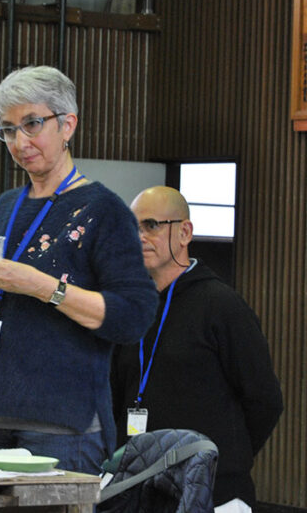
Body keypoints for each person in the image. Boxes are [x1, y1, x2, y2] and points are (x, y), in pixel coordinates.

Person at [0, 65, 158, 474]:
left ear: (68, 125)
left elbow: (133, 317)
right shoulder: (6, 205)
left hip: (61, 424)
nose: (19, 141)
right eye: (8, 130)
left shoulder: (104, 210)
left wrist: (45, 287)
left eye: (32, 124)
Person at [111, 186, 284, 511]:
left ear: (185, 232)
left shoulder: (222, 305)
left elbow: (265, 401)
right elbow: (116, 396)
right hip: (141, 490)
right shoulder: (132, 306)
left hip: (214, 491)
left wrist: (226, 458)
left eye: (151, 225)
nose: (139, 237)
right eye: (131, 227)